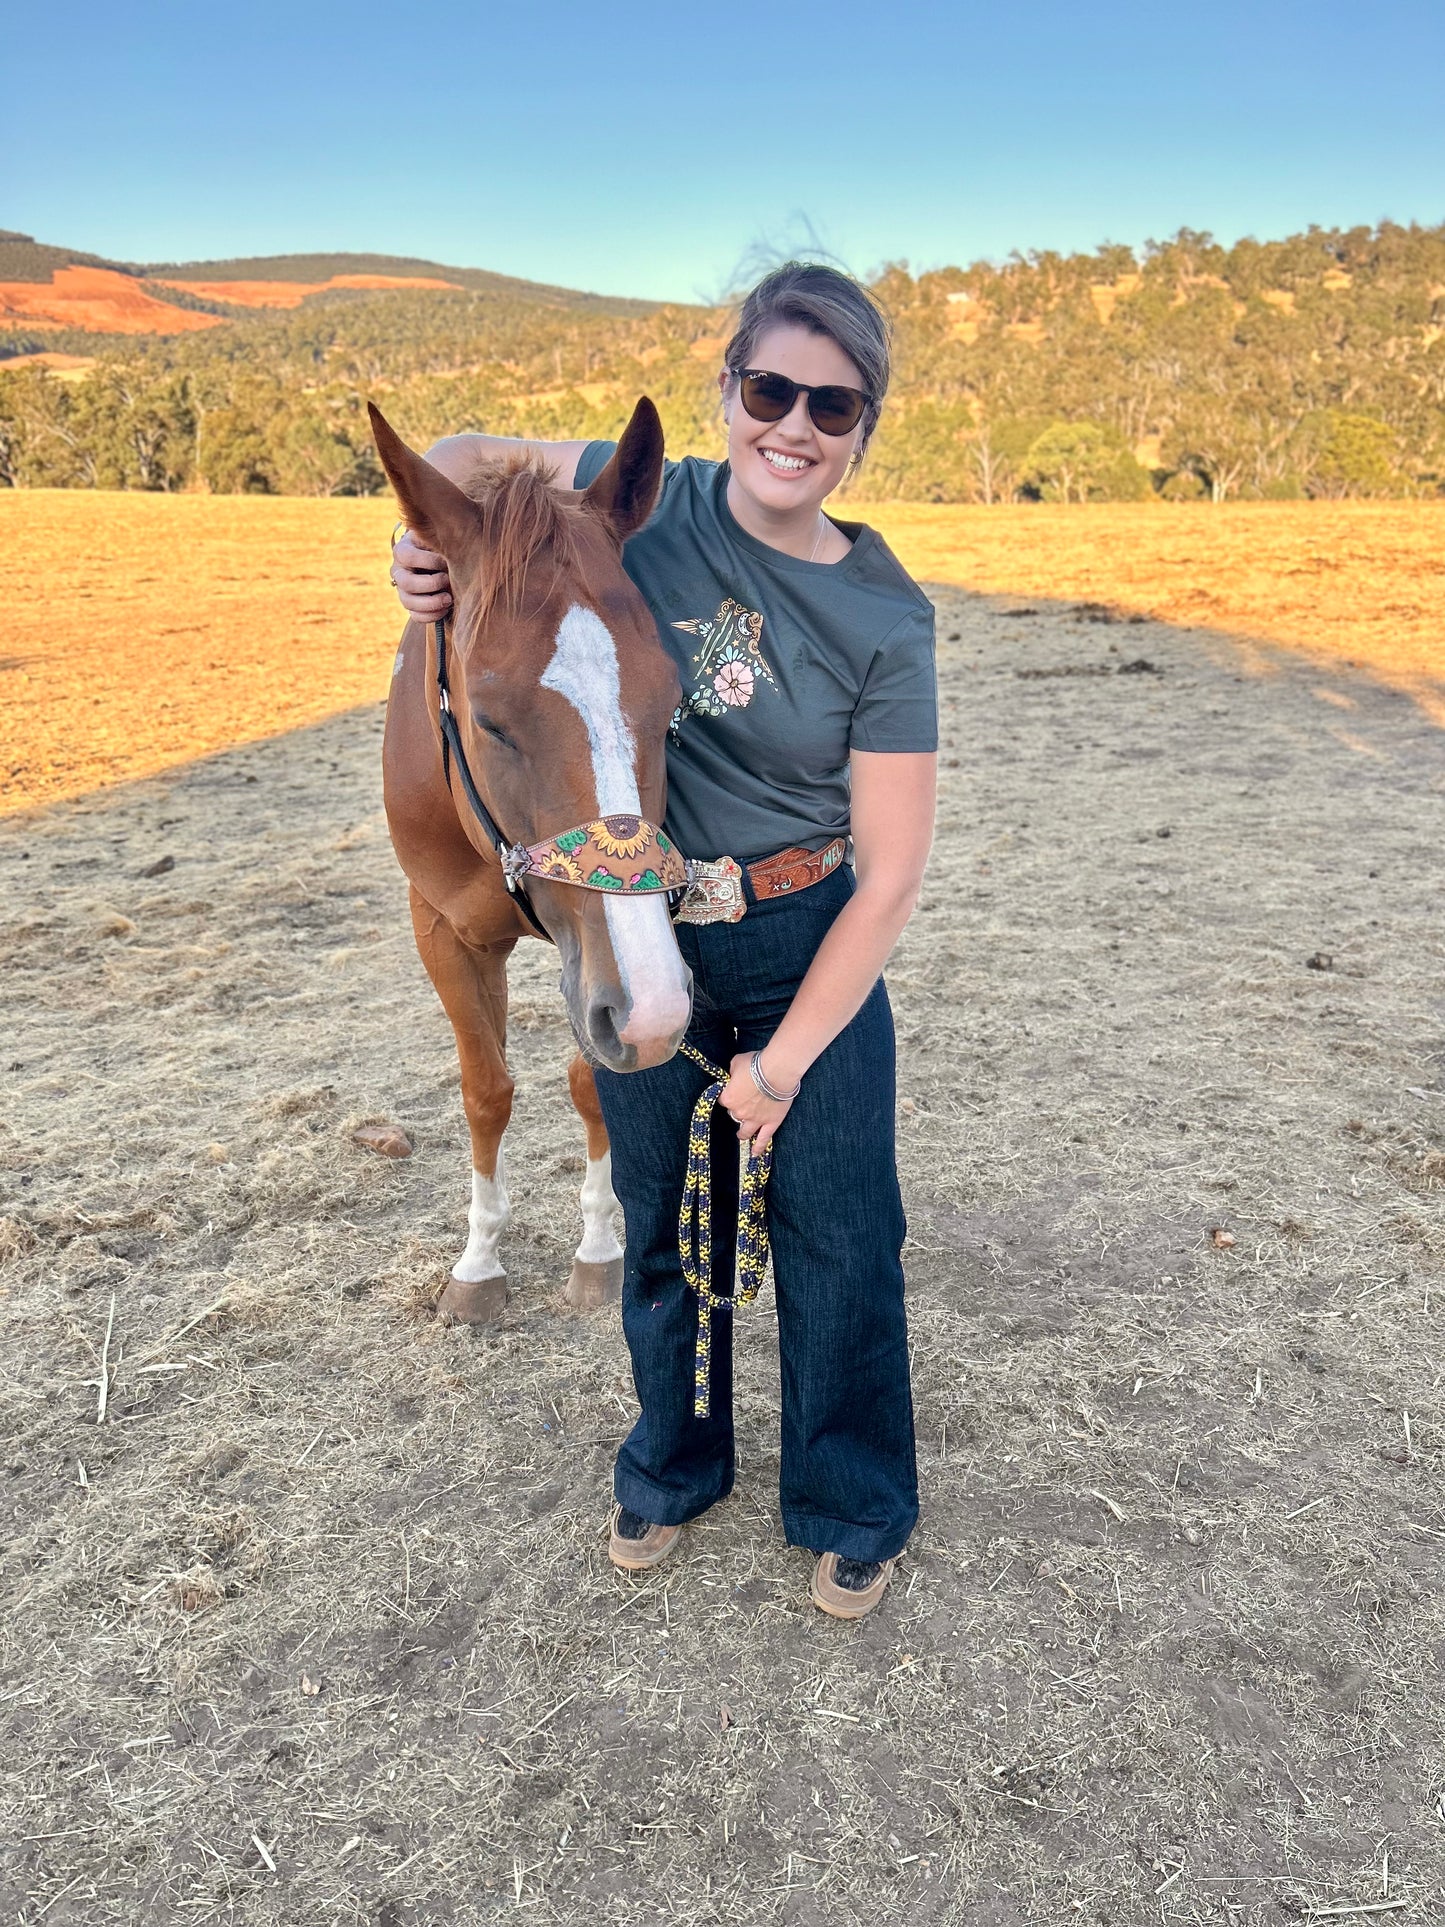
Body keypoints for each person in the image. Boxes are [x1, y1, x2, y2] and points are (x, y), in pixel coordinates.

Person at [391, 262, 937, 1620]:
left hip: (811, 928)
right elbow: (457, 457)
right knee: (657, 1235)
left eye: (833, 405)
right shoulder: (659, 500)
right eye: (770, 390)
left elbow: (891, 877)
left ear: (863, 428)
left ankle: (850, 1494)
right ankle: (674, 1461)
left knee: (840, 1236)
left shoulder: (885, 616)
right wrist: (427, 547)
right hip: (652, 922)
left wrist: (784, 1065)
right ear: (729, 394)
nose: (794, 427)